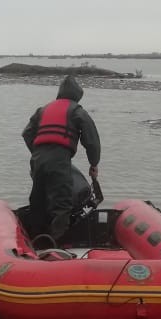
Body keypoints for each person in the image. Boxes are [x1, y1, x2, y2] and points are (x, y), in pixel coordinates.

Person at [22, 75, 102, 242]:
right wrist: (93, 163)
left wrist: (37, 153)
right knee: (62, 203)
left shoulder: (42, 109)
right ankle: (55, 243)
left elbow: (27, 133)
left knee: (38, 199)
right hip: (59, 160)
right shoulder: (77, 111)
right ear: (77, 96)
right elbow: (92, 141)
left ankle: (36, 239)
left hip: (37, 159)